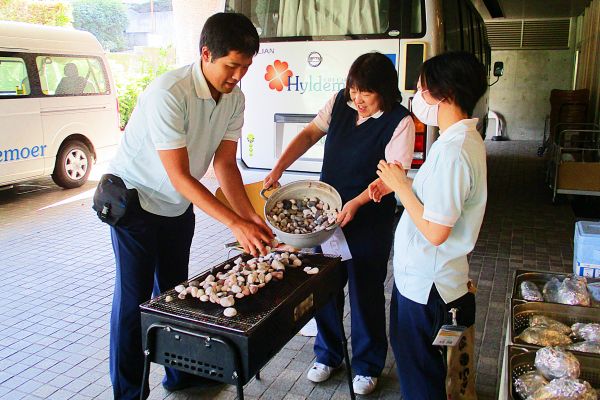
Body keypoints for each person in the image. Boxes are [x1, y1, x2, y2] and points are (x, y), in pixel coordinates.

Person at [104, 13, 273, 400]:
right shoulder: (170, 91)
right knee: (134, 303)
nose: (238, 76)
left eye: (245, 67)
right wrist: (234, 224)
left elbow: (225, 164)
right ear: (205, 53)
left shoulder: (235, 97)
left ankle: (180, 375)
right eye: (231, 65)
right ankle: (129, 393)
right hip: (137, 203)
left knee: (177, 297)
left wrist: (250, 219)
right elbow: (179, 174)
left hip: (178, 207)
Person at [264, 52, 415, 395]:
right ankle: (328, 354)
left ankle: (367, 365)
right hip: (328, 216)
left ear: (385, 91)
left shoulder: (400, 121)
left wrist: (358, 202)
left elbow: (392, 179)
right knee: (324, 287)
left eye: (367, 93)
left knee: (366, 292)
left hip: (369, 218)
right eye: (354, 90)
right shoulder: (339, 103)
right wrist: (278, 167)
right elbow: (308, 135)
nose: (358, 100)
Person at [373, 51, 488, 399]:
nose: (417, 96)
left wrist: (403, 187)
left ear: (444, 93)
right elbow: (438, 198)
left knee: (423, 376)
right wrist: (400, 184)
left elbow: (437, 231)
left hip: (431, 290)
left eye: (422, 88)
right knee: (423, 370)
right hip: (426, 282)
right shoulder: (457, 141)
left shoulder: (455, 150)